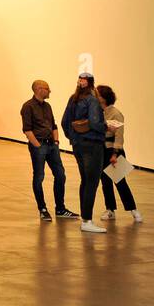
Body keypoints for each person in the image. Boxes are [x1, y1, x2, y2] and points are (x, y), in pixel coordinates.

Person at [21, 80, 76, 221]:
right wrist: (37, 145)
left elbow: (54, 125)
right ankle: (42, 209)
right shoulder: (28, 107)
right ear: (39, 89)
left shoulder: (48, 106)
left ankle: (60, 208)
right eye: (47, 88)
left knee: (60, 175)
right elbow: (27, 130)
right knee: (39, 177)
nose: (49, 91)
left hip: (52, 146)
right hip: (39, 146)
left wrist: (56, 142)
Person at [61, 72, 107, 234]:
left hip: (78, 146)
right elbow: (95, 123)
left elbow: (64, 122)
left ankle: (85, 218)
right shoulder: (92, 100)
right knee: (92, 182)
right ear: (92, 84)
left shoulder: (73, 99)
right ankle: (87, 220)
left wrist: (73, 138)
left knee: (85, 181)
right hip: (93, 145)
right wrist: (107, 127)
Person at [97, 85, 142, 223]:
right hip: (102, 151)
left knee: (120, 181)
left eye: (97, 95)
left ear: (103, 98)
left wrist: (115, 154)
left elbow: (119, 136)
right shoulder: (99, 112)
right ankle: (110, 209)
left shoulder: (116, 113)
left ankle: (134, 210)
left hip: (113, 151)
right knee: (105, 182)